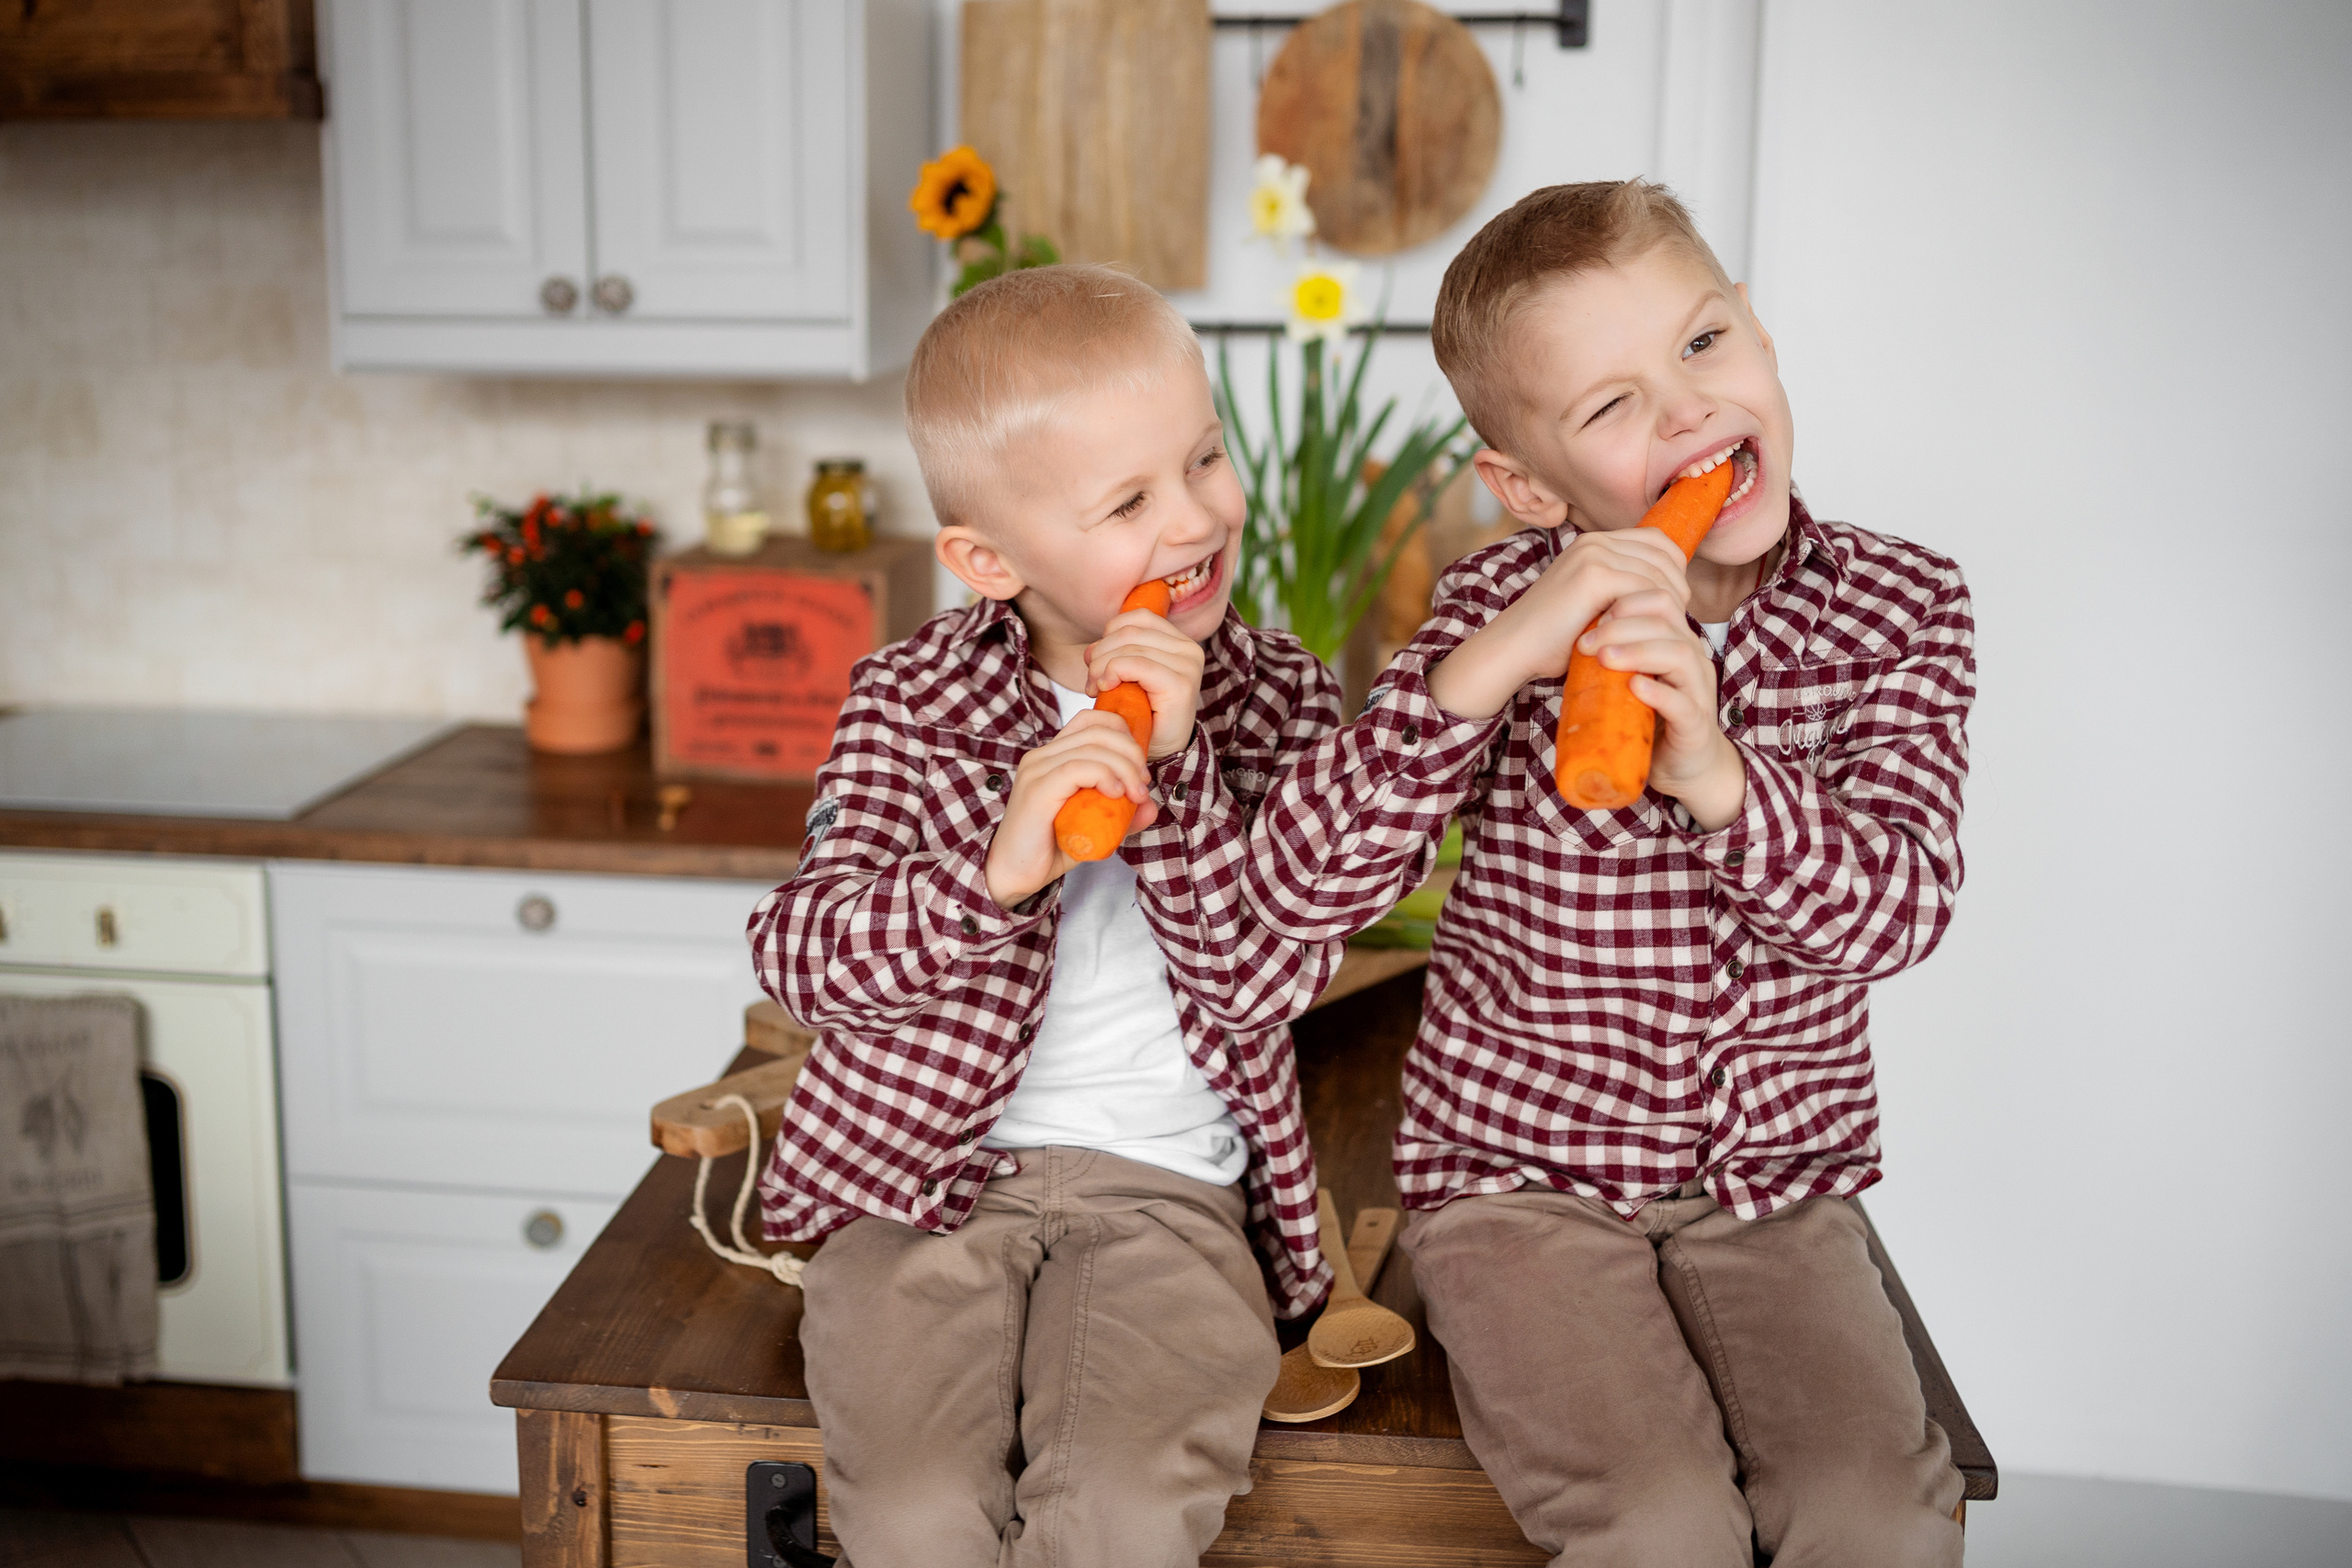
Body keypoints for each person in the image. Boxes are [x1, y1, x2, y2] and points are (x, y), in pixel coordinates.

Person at [1247, 180, 1974, 1565]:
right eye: (1612, 405)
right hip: (1517, 1181)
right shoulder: (1491, 612)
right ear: (1531, 487)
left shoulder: (1901, 610)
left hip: (1773, 1187)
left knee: (1877, 1514)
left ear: (1757, 328)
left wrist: (1721, 778)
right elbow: (1297, 895)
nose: (1691, 412)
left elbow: (1898, 913)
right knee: (1658, 1522)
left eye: (1703, 343)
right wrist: (1488, 672)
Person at [746, 264, 1343, 1568]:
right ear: (989, 561)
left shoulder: (1282, 699)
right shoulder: (908, 699)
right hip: (912, 1186)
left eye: (1205, 458)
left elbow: (1272, 980)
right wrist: (988, 876)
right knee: (915, 1514)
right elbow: (799, 957)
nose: (1195, 518)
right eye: (1129, 502)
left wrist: (1180, 771)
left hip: (1170, 1187)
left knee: (1120, 1514)